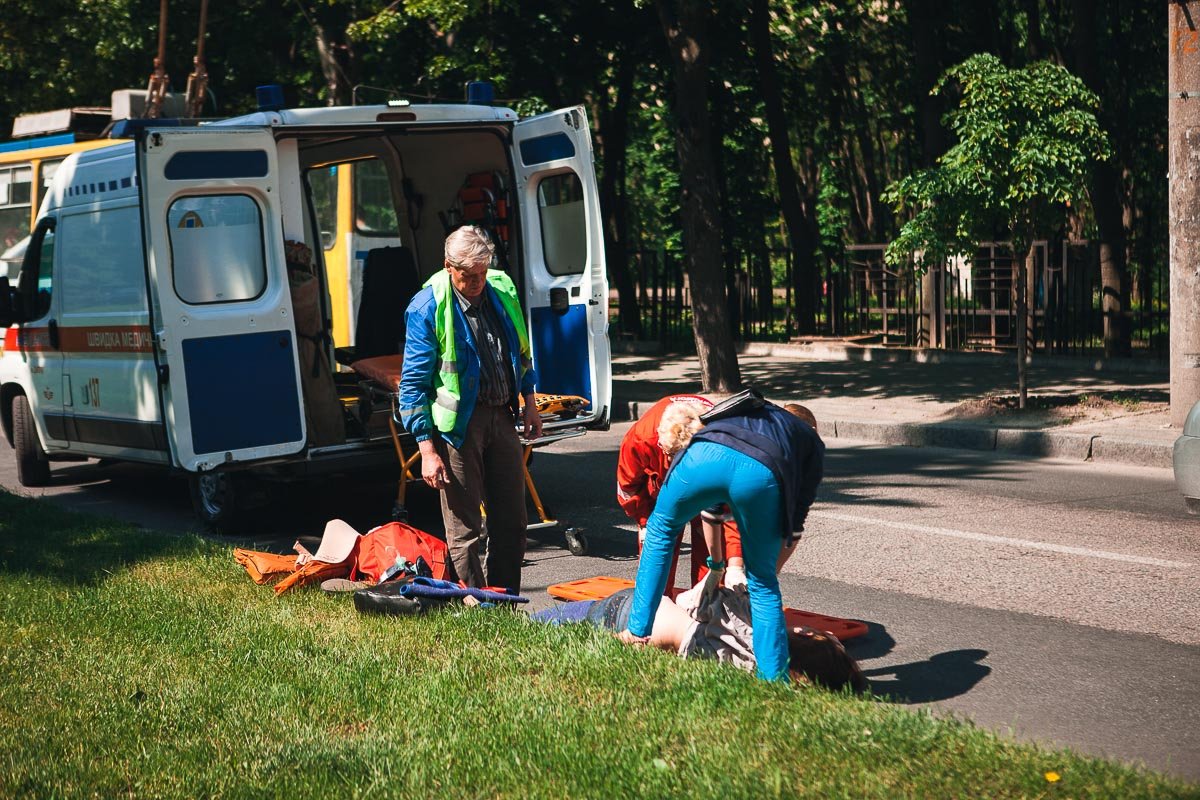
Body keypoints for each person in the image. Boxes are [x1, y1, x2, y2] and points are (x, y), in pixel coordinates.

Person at [620, 397, 824, 683]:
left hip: (701, 455)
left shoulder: (749, 411)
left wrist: (717, 565)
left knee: (660, 531)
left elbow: (713, 511)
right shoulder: (811, 444)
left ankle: (637, 632)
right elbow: (793, 530)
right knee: (764, 585)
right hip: (759, 473)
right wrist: (762, 574)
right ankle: (774, 679)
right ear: (811, 430)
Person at [398, 225, 542, 592]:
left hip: (502, 416)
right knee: (464, 527)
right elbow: (412, 385)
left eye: (483, 272)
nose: (478, 281)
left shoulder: (501, 288)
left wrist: (530, 402)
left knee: (512, 520)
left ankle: (505, 599)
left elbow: (521, 352)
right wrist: (427, 451)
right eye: (469, 275)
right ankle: (476, 602)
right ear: (449, 266)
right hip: (458, 429)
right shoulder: (426, 307)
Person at [530, 583, 865, 692]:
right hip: (633, 614)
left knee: (538, 628)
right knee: (542, 627)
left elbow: (691, 599)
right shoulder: (747, 671)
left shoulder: (757, 622)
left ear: (805, 634)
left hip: (628, 610)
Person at [616, 394, 746, 588]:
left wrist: (735, 563)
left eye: (677, 458)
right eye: (668, 454)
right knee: (656, 562)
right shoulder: (641, 439)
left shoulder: (722, 445)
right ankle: (659, 606)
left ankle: (708, 605)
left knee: (713, 550)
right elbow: (627, 485)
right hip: (658, 492)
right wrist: (644, 521)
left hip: (704, 485)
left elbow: (731, 508)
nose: (670, 462)